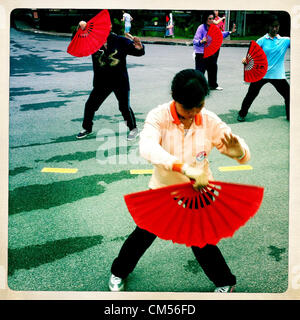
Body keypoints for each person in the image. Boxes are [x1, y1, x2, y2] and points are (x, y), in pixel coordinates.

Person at [108, 69, 251, 293]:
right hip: (164, 188)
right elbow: (147, 148)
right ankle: (118, 272)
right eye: (187, 108)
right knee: (143, 234)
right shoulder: (159, 116)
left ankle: (225, 283)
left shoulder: (209, 120)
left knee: (201, 239)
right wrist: (183, 168)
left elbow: (238, 148)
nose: (194, 113)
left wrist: (239, 151)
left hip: (199, 190)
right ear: (175, 98)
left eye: (200, 106)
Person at [75, 21, 145, 141]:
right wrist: (80, 29)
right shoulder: (92, 41)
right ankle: (87, 128)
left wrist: (140, 47)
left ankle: (133, 129)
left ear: (110, 27)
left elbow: (138, 52)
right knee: (90, 105)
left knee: (124, 107)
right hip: (101, 82)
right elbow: (77, 43)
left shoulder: (120, 41)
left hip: (120, 81)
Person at [237, 15, 290, 122]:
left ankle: (290, 116)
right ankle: (242, 114)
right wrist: (245, 60)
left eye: (276, 26)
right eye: (272, 26)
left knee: (289, 96)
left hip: (277, 75)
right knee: (251, 95)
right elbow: (251, 56)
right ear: (268, 26)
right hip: (261, 74)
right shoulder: (261, 41)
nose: (274, 29)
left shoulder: (285, 41)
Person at [193, 11, 236, 91]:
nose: (212, 20)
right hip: (201, 53)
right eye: (210, 19)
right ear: (205, 19)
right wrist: (201, 41)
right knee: (200, 71)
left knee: (213, 68)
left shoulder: (213, 27)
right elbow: (194, 41)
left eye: (213, 18)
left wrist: (230, 32)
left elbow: (220, 34)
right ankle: (197, 87)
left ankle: (213, 85)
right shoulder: (201, 28)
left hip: (211, 52)